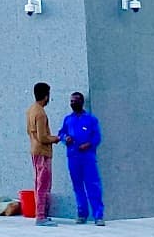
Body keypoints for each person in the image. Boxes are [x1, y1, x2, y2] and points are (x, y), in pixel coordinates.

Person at [57, 91, 104, 225]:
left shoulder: (91, 119)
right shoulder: (68, 119)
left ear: (81, 102)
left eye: (75, 101)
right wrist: (65, 138)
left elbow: (97, 137)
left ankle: (98, 215)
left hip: (87, 157)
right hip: (73, 157)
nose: (73, 103)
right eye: (71, 101)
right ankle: (82, 214)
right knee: (77, 186)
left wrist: (88, 144)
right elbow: (61, 133)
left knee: (93, 185)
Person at [25, 82, 60, 226]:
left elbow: (30, 132)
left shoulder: (31, 110)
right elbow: (43, 137)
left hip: (35, 149)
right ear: (46, 95)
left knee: (39, 182)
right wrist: (56, 138)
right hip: (42, 152)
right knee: (43, 184)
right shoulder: (40, 113)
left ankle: (42, 214)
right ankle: (40, 216)